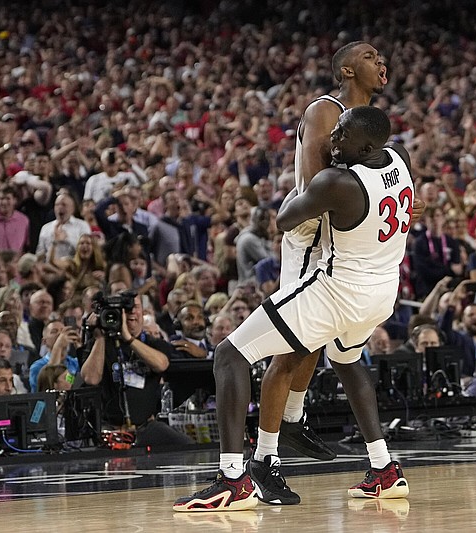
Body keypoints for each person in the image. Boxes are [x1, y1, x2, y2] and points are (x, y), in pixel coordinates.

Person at [174, 106, 411, 512]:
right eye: (334, 131)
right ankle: (384, 467)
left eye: (342, 135)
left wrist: (307, 186)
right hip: (382, 294)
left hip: (338, 292)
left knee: (230, 355)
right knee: (348, 361)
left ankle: (232, 479)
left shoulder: (337, 181)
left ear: (367, 145)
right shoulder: (399, 158)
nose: (332, 140)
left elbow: (286, 219)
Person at [256, 41, 422, 466]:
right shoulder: (324, 111)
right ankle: (265, 453)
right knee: (293, 344)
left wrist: (400, 200)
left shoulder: (369, 124)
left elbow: (372, 184)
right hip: (313, 236)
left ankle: (293, 419)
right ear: (346, 71)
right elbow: (319, 185)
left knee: (318, 342)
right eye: (369, 56)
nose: (380, 60)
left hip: (345, 242)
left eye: (381, 55)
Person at [79, 291, 194, 447]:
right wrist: (100, 337)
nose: (132, 311)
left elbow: (161, 364)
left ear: (142, 311)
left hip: (147, 427)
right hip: (112, 430)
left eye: (135, 307)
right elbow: (91, 379)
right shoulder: (99, 344)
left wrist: (129, 339)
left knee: (187, 448)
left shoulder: (154, 343)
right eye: (126, 308)